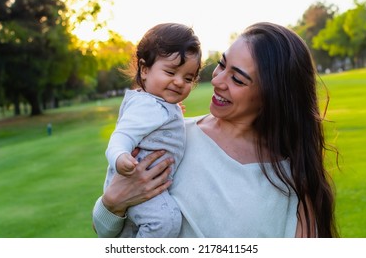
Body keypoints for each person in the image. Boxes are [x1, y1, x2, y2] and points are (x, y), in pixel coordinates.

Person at [92, 22, 339, 238]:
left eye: (238, 79)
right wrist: (112, 204)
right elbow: (107, 231)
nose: (218, 81)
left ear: (271, 96)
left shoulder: (292, 181)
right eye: (222, 65)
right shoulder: (169, 138)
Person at [101, 23, 202, 238]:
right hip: (136, 181)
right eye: (170, 72)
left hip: (145, 186)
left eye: (188, 78)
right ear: (145, 69)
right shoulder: (147, 106)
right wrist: (120, 157)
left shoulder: (158, 105)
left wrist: (174, 114)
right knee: (165, 221)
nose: (179, 82)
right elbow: (120, 137)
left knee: (126, 234)